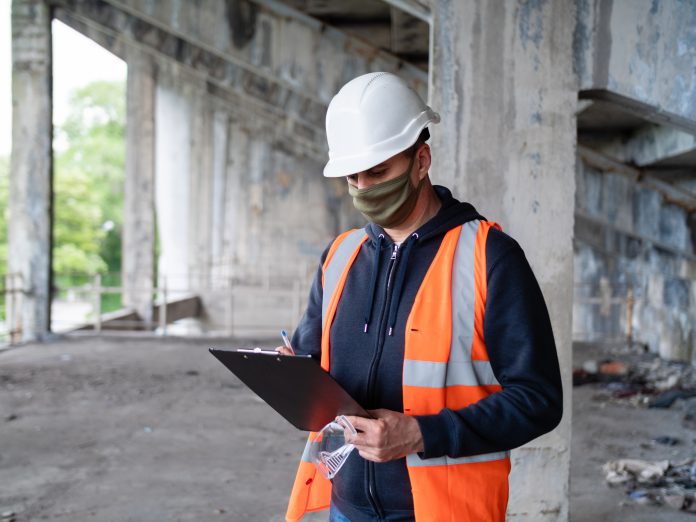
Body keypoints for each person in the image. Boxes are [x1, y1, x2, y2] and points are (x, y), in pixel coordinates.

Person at [277, 72, 563, 522]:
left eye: (379, 171)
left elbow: (539, 400)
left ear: (421, 160)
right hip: (347, 508)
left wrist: (421, 433)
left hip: (445, 511)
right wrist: (288, 375)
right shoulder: (340, 257)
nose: (366, 188)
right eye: (354, 177)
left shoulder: (489, 256)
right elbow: (314, 363)